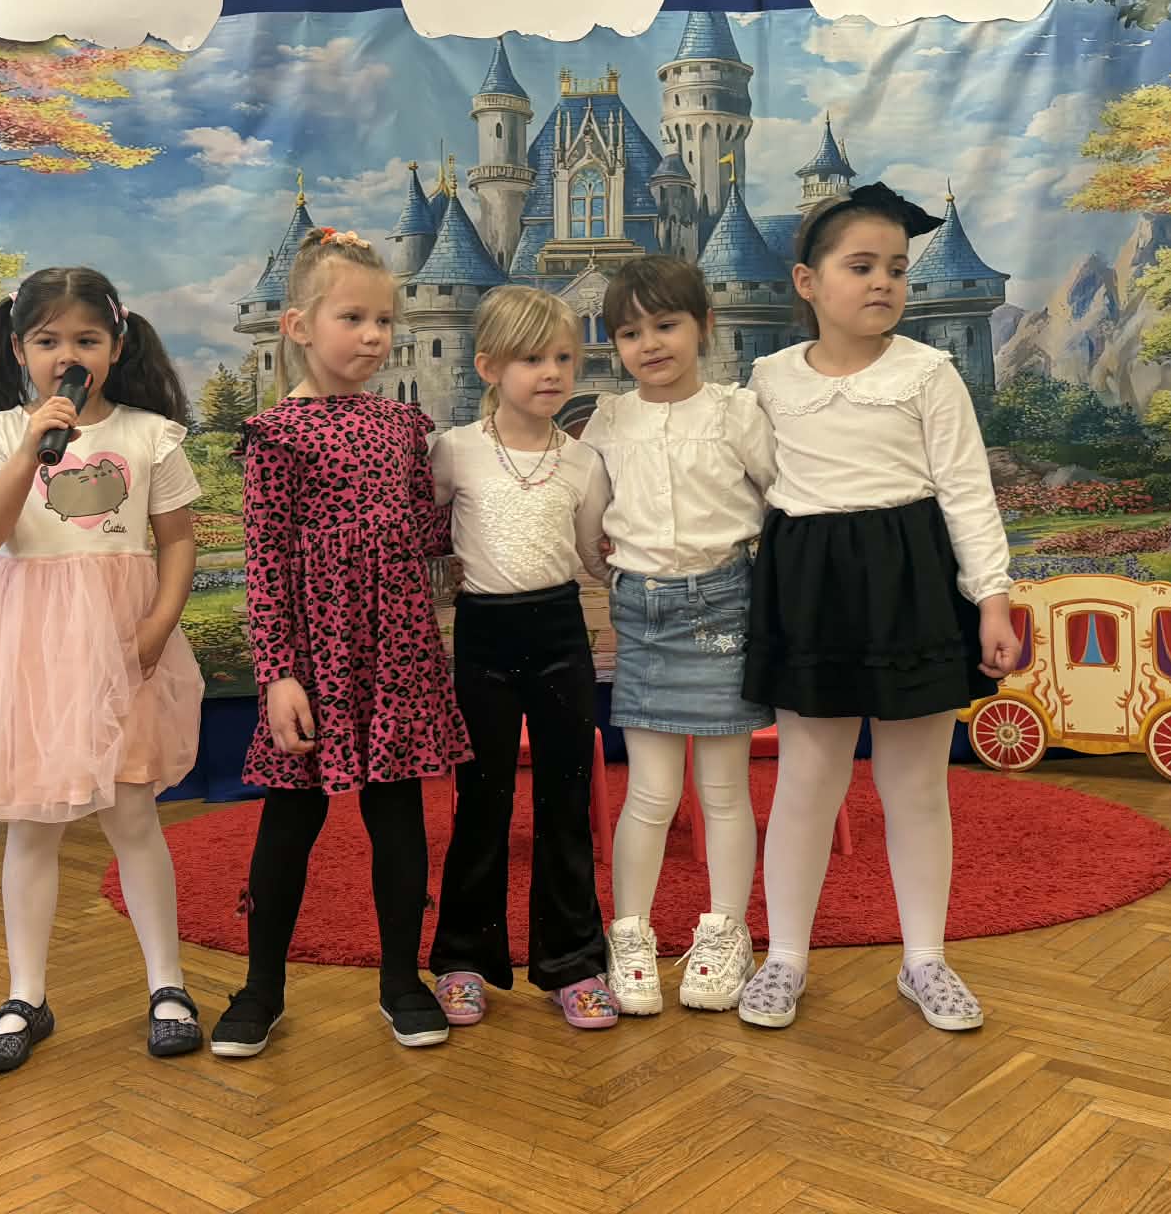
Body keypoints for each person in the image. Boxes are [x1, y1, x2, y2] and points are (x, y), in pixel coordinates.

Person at [0, 266, 207, 1070]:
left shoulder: (150, 435)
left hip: (123, 643)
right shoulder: (0, 435)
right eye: (49, 340)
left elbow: (176, 539)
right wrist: (32, 447)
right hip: (30, 649)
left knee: (132, 816)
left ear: (117, 345)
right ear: (18, 348)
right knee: (33, 824)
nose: (69, 355)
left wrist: (158, 625)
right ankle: (25, 996)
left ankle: (167, 985)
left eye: (87, 339)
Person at [736, 185, 1021, 1033]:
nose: (883, 283)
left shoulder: (928, 374)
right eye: (860, 266)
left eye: (896, 268)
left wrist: (993, 602)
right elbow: (747, 486)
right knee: (806, 782)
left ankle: (925, 958)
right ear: (807, 281)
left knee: (916, 785)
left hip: (910, 584)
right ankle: (785, 958)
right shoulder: (768, 379)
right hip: (809, 589)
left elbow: (967, 492)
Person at [211, 228, 471, 1058]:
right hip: (315, 660)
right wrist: (278, 675)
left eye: (385, 321)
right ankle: (261, 987)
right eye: (353, 318)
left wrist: (500, 500)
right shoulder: (275, 435)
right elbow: (265, 561)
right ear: (298, 327)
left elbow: (424, 531)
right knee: (290, 821)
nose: (374, 336)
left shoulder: (403, 426)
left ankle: (402, 980)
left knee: (399, 819)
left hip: (397, 652)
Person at [580, 257, 775, 1015]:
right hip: (644, 613)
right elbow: (589, 512)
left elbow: (780, 496)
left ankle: (725, 931)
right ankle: (629, 934)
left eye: (666, 325)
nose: (650, 345)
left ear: (704, 326)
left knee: (722, 791)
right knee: (651, 792)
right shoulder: (609, 419)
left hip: (724, 604)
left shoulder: (736, 412)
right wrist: (607, 569)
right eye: (630, 333)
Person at [427, 285, 621, 1030]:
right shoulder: (455, 451)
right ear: (489, 367)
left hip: (559, 635)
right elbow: (426, 530)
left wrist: (654, 567)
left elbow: (594, 556)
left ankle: (574, 963)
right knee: (483, 801)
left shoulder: (584, 462)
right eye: (532, 359)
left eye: (564, 358)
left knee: (565, 803)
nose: (552, 373)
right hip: (483, 637)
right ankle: (464, 960)